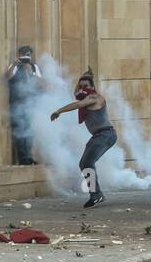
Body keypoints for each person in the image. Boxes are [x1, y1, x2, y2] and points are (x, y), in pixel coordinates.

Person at [50, 70, 116, 208]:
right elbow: (77, 95)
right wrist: (81, 81)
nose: (82, 89)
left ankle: (96, 195)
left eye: (85, 86)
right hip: (98, 136)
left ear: (92, 87)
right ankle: (96, 194)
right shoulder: (85, 96)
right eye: (81, 87)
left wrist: (58, 111)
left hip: (105, 135)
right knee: (84, 163)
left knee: (87, 162)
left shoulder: (95, 97)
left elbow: (78, 104)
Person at [6, 46, 42, 165]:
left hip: (30, 104)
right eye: (24, 54)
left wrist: (30, 72)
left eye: (28, 54)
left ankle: (29, 155)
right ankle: (23, 157)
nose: (26, 56)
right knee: (20, 130)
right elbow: (8, 76)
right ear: (19, 54)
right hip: (17, 103)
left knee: (29, 131)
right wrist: (15, 63)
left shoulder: (33, 67)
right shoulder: (15, 66)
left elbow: (40, 82)